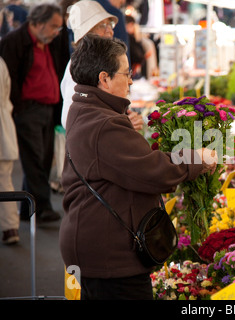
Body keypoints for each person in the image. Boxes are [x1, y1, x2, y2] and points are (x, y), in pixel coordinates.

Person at [59, 34, 217, 299]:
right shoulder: (104, 124)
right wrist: (196, 159)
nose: (131, 80)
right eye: (126, 73)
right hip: (109, 256)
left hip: (94, 245)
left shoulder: (87, 108)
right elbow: (152, 170)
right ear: (104, 79)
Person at [0, 3, 66, 222]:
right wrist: (18, 108)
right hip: (28, 109)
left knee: (44, 159)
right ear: (38, 23)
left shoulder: (52, 42)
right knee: (35, 160)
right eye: (54, 26)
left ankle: (28, 209)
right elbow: (10, 79)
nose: (57, 31)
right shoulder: (15, 41)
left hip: (49, 108)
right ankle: (43, 207)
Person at [61, 0, 142, 131]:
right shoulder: (78, 67)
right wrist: (121, 124)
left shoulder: (101, 63)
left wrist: (126, 118)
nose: (109, 31)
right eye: (101, 26)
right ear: (86, 33)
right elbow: (69, 120)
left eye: (110, 24)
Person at [0, 56, 20, 245]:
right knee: (4, 181)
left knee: (4, 180)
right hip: (4, 127)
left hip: (3, 127)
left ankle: (10, 227)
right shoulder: (1, 63)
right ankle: (10, 228)